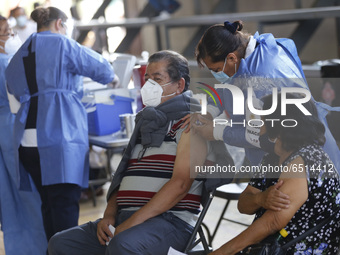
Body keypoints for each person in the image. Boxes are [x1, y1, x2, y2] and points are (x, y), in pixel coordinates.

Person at [48, 50, 226, 255]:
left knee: (122, 244)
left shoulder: (192, 124)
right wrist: (109, 216)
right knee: (61, 243)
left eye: (157, 79)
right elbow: (124, 177)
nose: (148, 85)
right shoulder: (146, 123)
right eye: (147, 78)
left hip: (171, 222)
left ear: (180, 85)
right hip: (127, 217)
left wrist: (129, 225)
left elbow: (180, 185)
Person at [5, 6, 116, 241]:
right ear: (59, 24)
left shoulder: (22, 49)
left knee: (49, 204)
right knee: (65, 206)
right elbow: (105, 71)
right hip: (58, 136)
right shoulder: (63, 44)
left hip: (27, 139)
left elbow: (13, 86)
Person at [190, 20, 340, 174]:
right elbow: (230, 83)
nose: (216, 75)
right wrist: (209, 111)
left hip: (304, 162)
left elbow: (263, 134)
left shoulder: (263, 80)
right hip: (300, 152)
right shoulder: (259, 50)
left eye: (216, 69)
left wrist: (216, 132)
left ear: (231, 58)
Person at [210, 93, 340, 255]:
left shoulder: (307, 159)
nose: (259, 122)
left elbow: (272, 223)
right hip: (273, 248)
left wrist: (219, 253)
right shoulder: (272, 157)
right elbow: (243, 204)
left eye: (264, 115)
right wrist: (260, 198)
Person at [0, 15, 47, 254]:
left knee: (9, 200)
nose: (12, 37)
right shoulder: (6, 63)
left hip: (6, 129)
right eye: (7, 33)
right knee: (28, 194)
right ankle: (38, 247)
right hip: (12, 130)